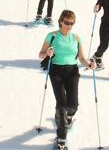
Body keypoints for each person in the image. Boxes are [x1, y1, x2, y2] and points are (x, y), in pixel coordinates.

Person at [38, 10, 96, 150]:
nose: (69, 26)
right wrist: (47, 53)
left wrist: (89, 64)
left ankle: (65, 117)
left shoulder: (76, 38)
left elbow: (81, 58)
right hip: (56, 72)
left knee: (73, 104)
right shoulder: (52, 36)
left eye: (72, 23)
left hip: (72, 72)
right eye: (66, 23)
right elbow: (40, 55)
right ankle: (61, 139)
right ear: (60, 22)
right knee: (62, 103)